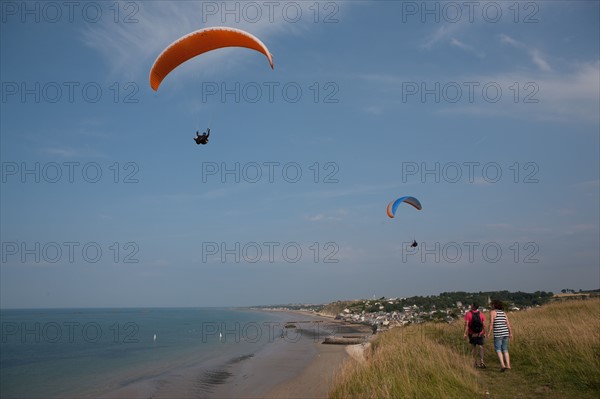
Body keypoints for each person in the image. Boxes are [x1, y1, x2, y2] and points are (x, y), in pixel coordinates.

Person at [488, 299, 513, 372]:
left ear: (494, 305)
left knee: (498, 349)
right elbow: (507, 323)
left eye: (492, 304)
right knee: (505, 349)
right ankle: (508, 365)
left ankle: (502, 365)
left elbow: (491, 323)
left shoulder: (492, 312)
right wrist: (510, 333)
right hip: (505, 333)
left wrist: (489, 333)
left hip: (498, 333)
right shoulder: (503, 313)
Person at [464, 302, 486, 368]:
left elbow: (466, 325)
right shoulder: (481, 314)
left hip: (472, 333)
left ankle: (475, 362)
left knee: (473, 347)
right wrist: (484, 332)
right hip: (480, 333)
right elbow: (484, 324)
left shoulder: (468, 314)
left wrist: (464, 333)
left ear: (473, 306)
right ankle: (482, 361)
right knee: (480, 347)